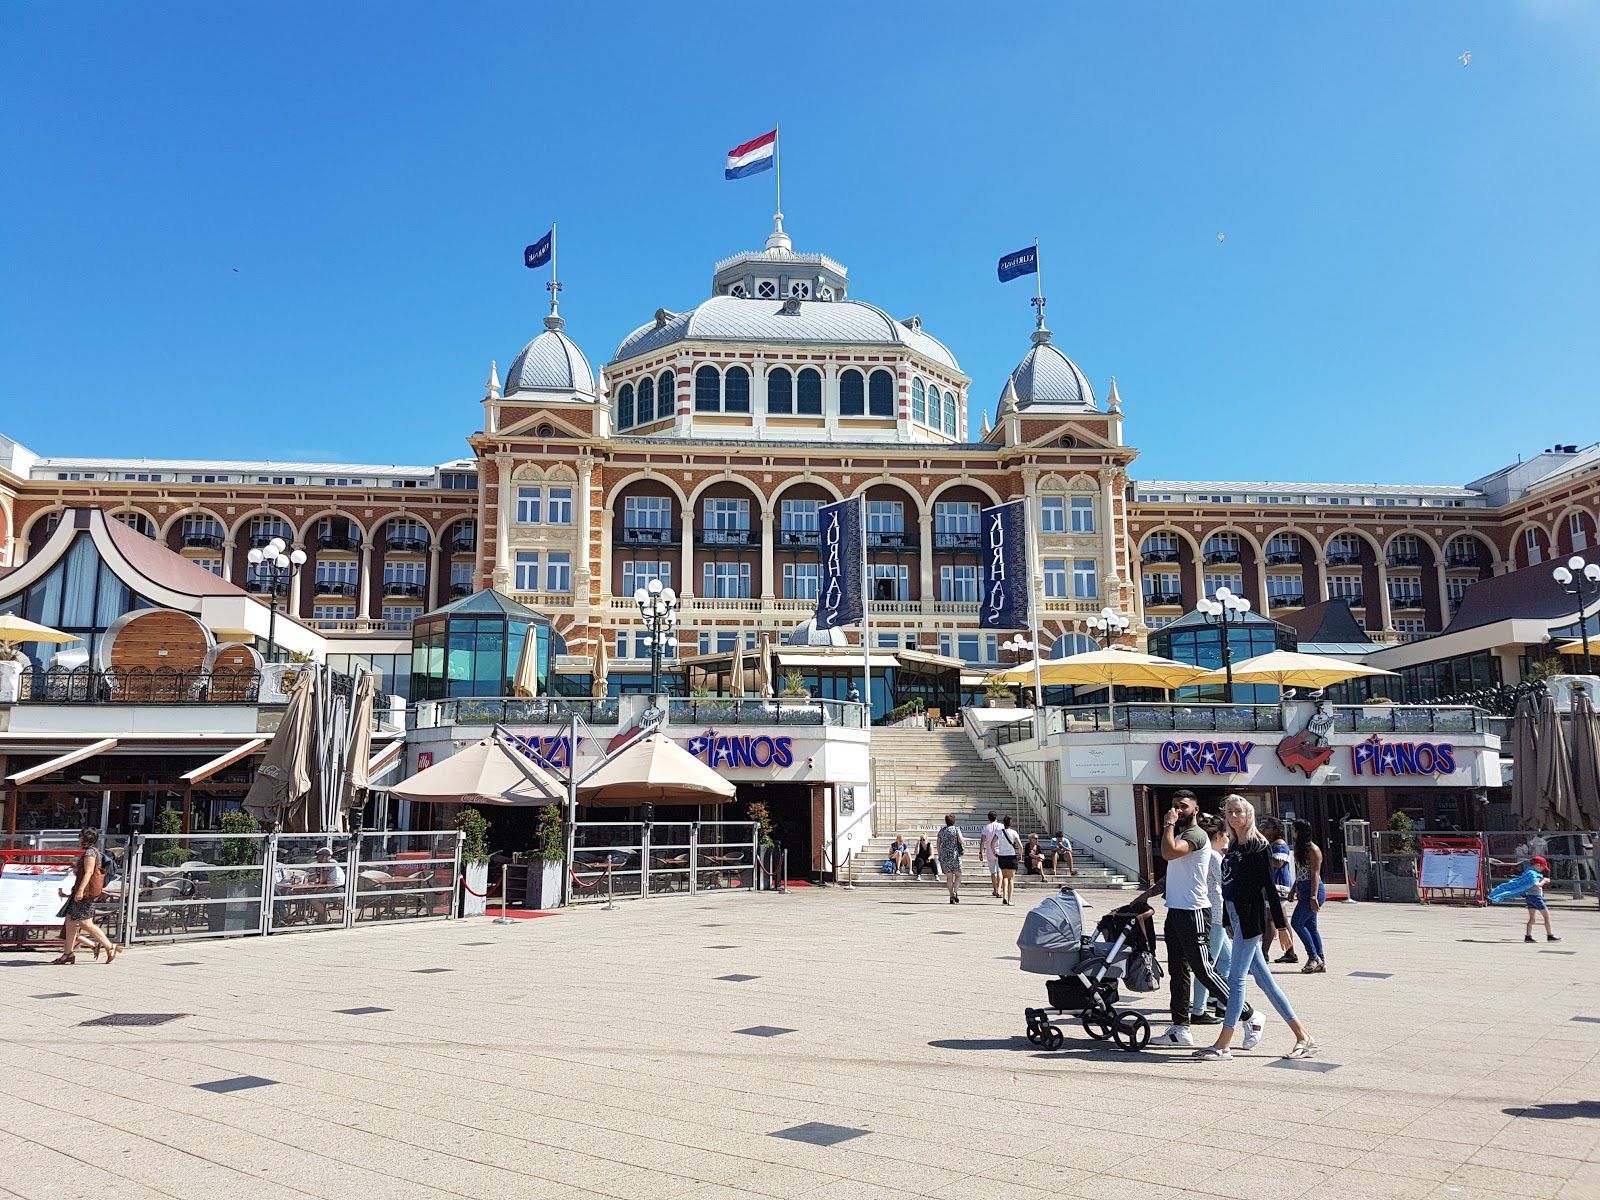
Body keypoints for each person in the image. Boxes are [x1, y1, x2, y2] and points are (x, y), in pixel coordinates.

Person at [1195, 795, 1317, 1061]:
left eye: (1238, 811)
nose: (1234, 816)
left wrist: (1283, 926)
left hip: (1251, 919)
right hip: (1236, 916)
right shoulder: (1235, 844)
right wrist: (1228, 921)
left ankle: (1223, 1044)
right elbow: (1227, 886)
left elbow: (1268, 887)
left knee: (1236, 980)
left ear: (1248, 813)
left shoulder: (1257, 845)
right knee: (1265, 982)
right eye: (1229, 812)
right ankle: (1303, 1037)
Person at [1146, 790, 1252, 1048]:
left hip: (1194, 911)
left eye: (1183, 806)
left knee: (1203, 970)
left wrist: (1169, 824)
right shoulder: (1180, 834)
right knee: (1178, 971)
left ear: (1195, 809)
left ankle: (1249, 1015)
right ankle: (1180, 1028)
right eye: (1174, 805)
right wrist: (1142, 898)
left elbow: (1169, 853)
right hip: (1176, 909)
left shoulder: (1195, 835)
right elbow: (1170, 873)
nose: (1177, 810)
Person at [53, 828, 117, 965]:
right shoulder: (91, 852)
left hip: (85, 893)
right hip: (82, 891)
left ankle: (109, 946)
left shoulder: (90, 853)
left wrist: (80, 890)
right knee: (70, 921)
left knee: (85, 923)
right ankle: (68, 954)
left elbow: (88, 872)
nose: (78, 839)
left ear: (85, 838)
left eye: (80, 836)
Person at [1190, 814, 1232, 1024]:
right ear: (1217, 835)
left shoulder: (1200, 854)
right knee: (1207, 965)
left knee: (1227, 959)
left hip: (1213, 915)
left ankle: (1221, 1001)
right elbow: (1225, 882)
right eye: (1225, 834)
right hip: (1215, 915)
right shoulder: (1214, 856)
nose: (1227, 838)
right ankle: (1198, 1010)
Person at [1290, 819, 1327, 972]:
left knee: (1296, 922)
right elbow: (1300, 872)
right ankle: (1321, 960)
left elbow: (1315, 874)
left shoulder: (1313, 849)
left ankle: (1313, 957)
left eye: (1294, 829)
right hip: (1303, 888)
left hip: (1314, 890)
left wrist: (1313, 897)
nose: (1292, 832)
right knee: (1311, 926)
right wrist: (1293, 889)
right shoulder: (1299, 849)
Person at [1260, 817, 1298, 963]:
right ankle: (1290, 951)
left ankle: (1264, 952)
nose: (1263, 829)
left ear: (1275, 829)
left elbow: (1277, 863)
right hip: (1272, 886)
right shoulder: (1270, 844)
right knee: (1281, 919)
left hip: (1278, 886)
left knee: (1271, 919)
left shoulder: (1279, 844)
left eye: (1267, 827)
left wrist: (1261, 858)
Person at [1524, 855, 1560, 943]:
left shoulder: (1528, 872)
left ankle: (1528, 936)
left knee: (1532, 919)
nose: (1543, 870)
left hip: (1529, 897)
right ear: (1537, 865)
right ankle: (1550, 935)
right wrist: (1544, 881)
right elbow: (1536, 886)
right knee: (1546, 916)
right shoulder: (1533, 874)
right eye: (1542, 868)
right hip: (1536, 897)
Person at [308, 845, 346, 924]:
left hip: (337, 890)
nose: (317, 858)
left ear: (324, 856)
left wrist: (314, 883)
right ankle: (320, 918)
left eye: (319, 856)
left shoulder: (330, 863)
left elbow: (323, 881)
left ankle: (327, 919)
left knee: (313, 899)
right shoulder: (329, 864)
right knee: (316, 895)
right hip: (335, 889)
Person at [936, 814, 965, 904]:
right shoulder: (956, 829)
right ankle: (955, 892)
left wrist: (940, 854)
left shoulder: (942, 831)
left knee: (949, 877)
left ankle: (951, 895)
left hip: (945, 854)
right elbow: (961, 840)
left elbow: (938, 844)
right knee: (958, 875)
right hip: (954, 854)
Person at [994, 817, 1022, 905]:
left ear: (1003, 823)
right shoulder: (1014, 832)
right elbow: (1020, 846)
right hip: (1011, 857)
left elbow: (992, 843)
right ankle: (1009, 900)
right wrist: (1020, 854)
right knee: (1011, 879)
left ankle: (1004, 896)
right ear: (1011, 823)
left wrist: (995, 851)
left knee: (1004, 877)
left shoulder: (999, 832)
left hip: (1002, 857)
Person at [979, 811, 1004, 898]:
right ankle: (1000, 890)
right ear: (996, 817)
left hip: (990, 851)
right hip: (1000, 851)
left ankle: (995, 889)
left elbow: (982, 841)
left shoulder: (986, 828)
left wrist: (980, 852)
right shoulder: (1001, 826)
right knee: (999, 870)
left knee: (993, 872)